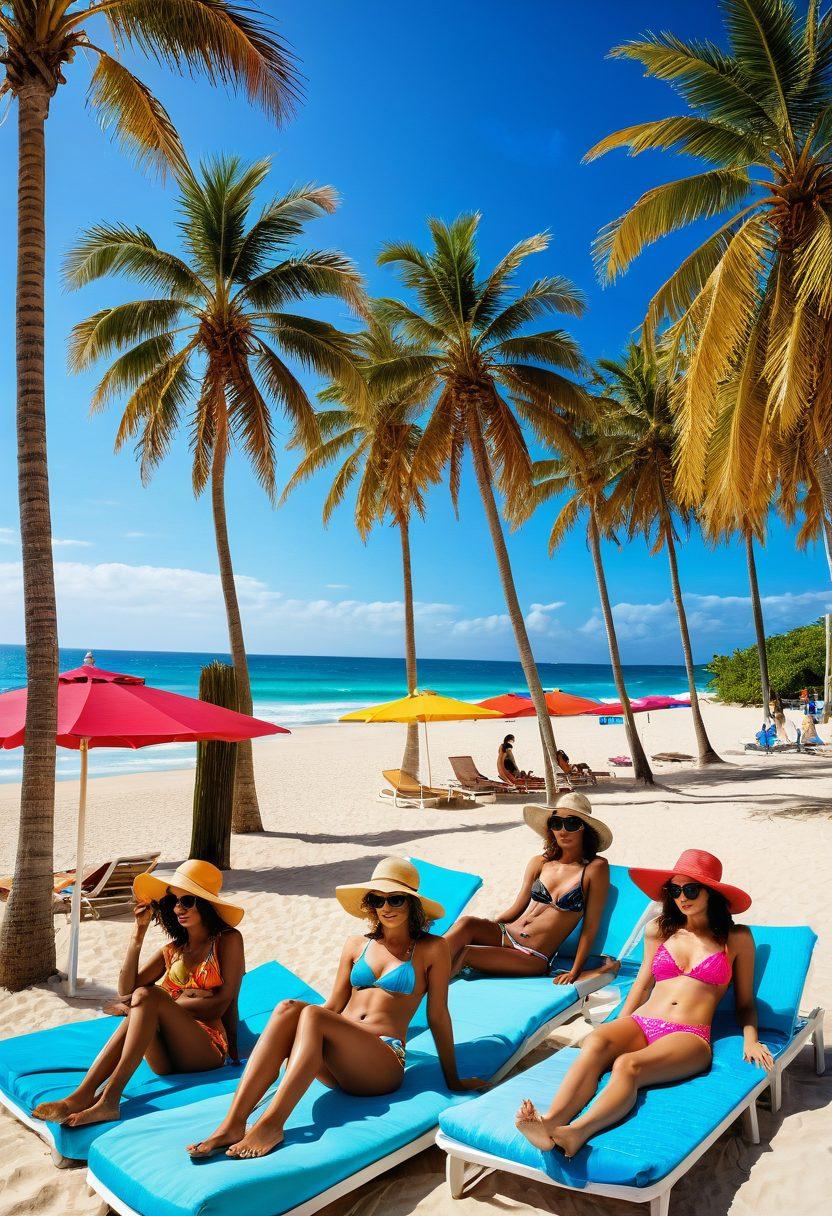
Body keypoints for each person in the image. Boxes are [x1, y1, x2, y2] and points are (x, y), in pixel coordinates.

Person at [186, 857, 485, 1160]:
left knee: (312, 1014)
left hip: (382, 1061)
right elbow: (334, 1005)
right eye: (377, 899)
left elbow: (437, 1015)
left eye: (396, 899)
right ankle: (233, 1123)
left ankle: (271, 1124)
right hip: (338, 1060)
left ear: (412, 904)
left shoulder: (432, 949)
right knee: (288, 1007)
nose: (386, 907)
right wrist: (287, 1037)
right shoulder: (357, 945)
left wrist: (453, 1079)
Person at [515, 849, 773, 1157]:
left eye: (690, 889)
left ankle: (576, 1133)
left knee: (628, 1065)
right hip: (642, 1021)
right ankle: (549, 1122)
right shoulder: (659, 930)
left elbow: (745, 1003)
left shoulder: (737, 938)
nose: (682, 897)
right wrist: (617, 1024)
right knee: (596, 1042)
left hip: (688, 1035)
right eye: (674, 890)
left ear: (712, 894)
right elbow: (641, 986)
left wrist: (751, 1039)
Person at [31, 860, 245, 1129]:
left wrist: (166, 1005)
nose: (178, 908)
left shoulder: (227, 940)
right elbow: (126, 989)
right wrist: (139, 932)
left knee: (148, 997)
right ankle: (82, 1095)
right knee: (144, 997)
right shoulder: (174, 949)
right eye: (173, 902)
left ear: (206, 903)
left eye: (188, 901)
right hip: (165, 1059)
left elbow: (220, 1005)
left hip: (206, 1050)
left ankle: (108, 1100)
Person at [443, 793, 617, 984]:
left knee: (467, 954)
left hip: (532, 955)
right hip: (507, 934)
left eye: (572, 823)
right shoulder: (540, 863)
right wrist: (488, 926)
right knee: (467, 923)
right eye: (556, 823)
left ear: (585, 829)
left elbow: (590, 926)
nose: (563, 830)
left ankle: (423, 991)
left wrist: (575, 971)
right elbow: (516, 909)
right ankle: (417, 970)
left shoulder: (595, 868)